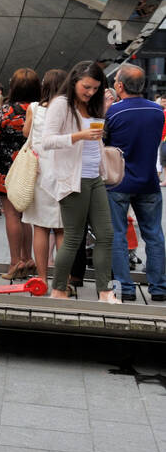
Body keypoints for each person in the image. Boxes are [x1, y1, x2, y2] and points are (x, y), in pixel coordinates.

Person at [38, 62, 118, 302]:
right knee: (74, 236)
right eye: (86, 87)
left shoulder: (92, 104)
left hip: (95, 176)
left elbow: (95, 141)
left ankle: (105, 291)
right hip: (72, 178)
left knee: (106, 234)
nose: (90, 92)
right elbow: (47, 141)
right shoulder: (61, 104)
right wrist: (79, 136)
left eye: (95, 88)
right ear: (74, 81)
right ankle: (59, 289)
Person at [104, 64, 166, 301]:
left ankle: (124, 289)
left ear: (119, 86)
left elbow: (104, 141)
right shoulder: (157, 111)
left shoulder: (113, 112)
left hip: (118, 182)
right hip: (149, 181)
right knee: (154, 234)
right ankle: (159, 287)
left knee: (117, 235)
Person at [0, 69, 41, 279]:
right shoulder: (40, 110)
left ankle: (14, 262)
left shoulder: (5, 111)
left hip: (7, 167)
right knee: (26, 215)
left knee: (12, 214)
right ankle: (28, 259)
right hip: (32, 166)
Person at [22, 69, 68, 284]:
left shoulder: (33, 108)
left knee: (40, 227)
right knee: (62, 228)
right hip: (63, 173)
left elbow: (26, 133)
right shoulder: (71, 110)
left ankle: (41, 277)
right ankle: (63, 281)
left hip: (39, 173)